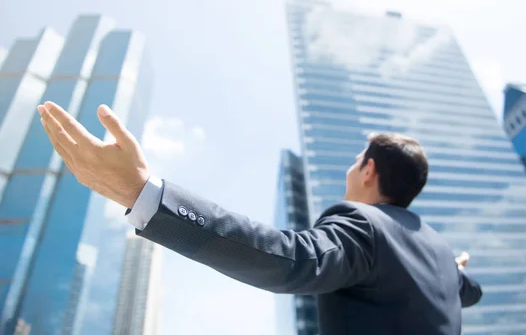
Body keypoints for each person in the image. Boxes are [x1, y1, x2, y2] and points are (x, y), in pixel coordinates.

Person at [37, 101, 482, 335]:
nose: (351, 170)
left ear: (369, 170)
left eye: (355, 161)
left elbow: (293, 260)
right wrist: (452, 271)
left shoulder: (364, 225)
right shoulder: (439, 253)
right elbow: (469, 293)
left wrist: (145, 194)